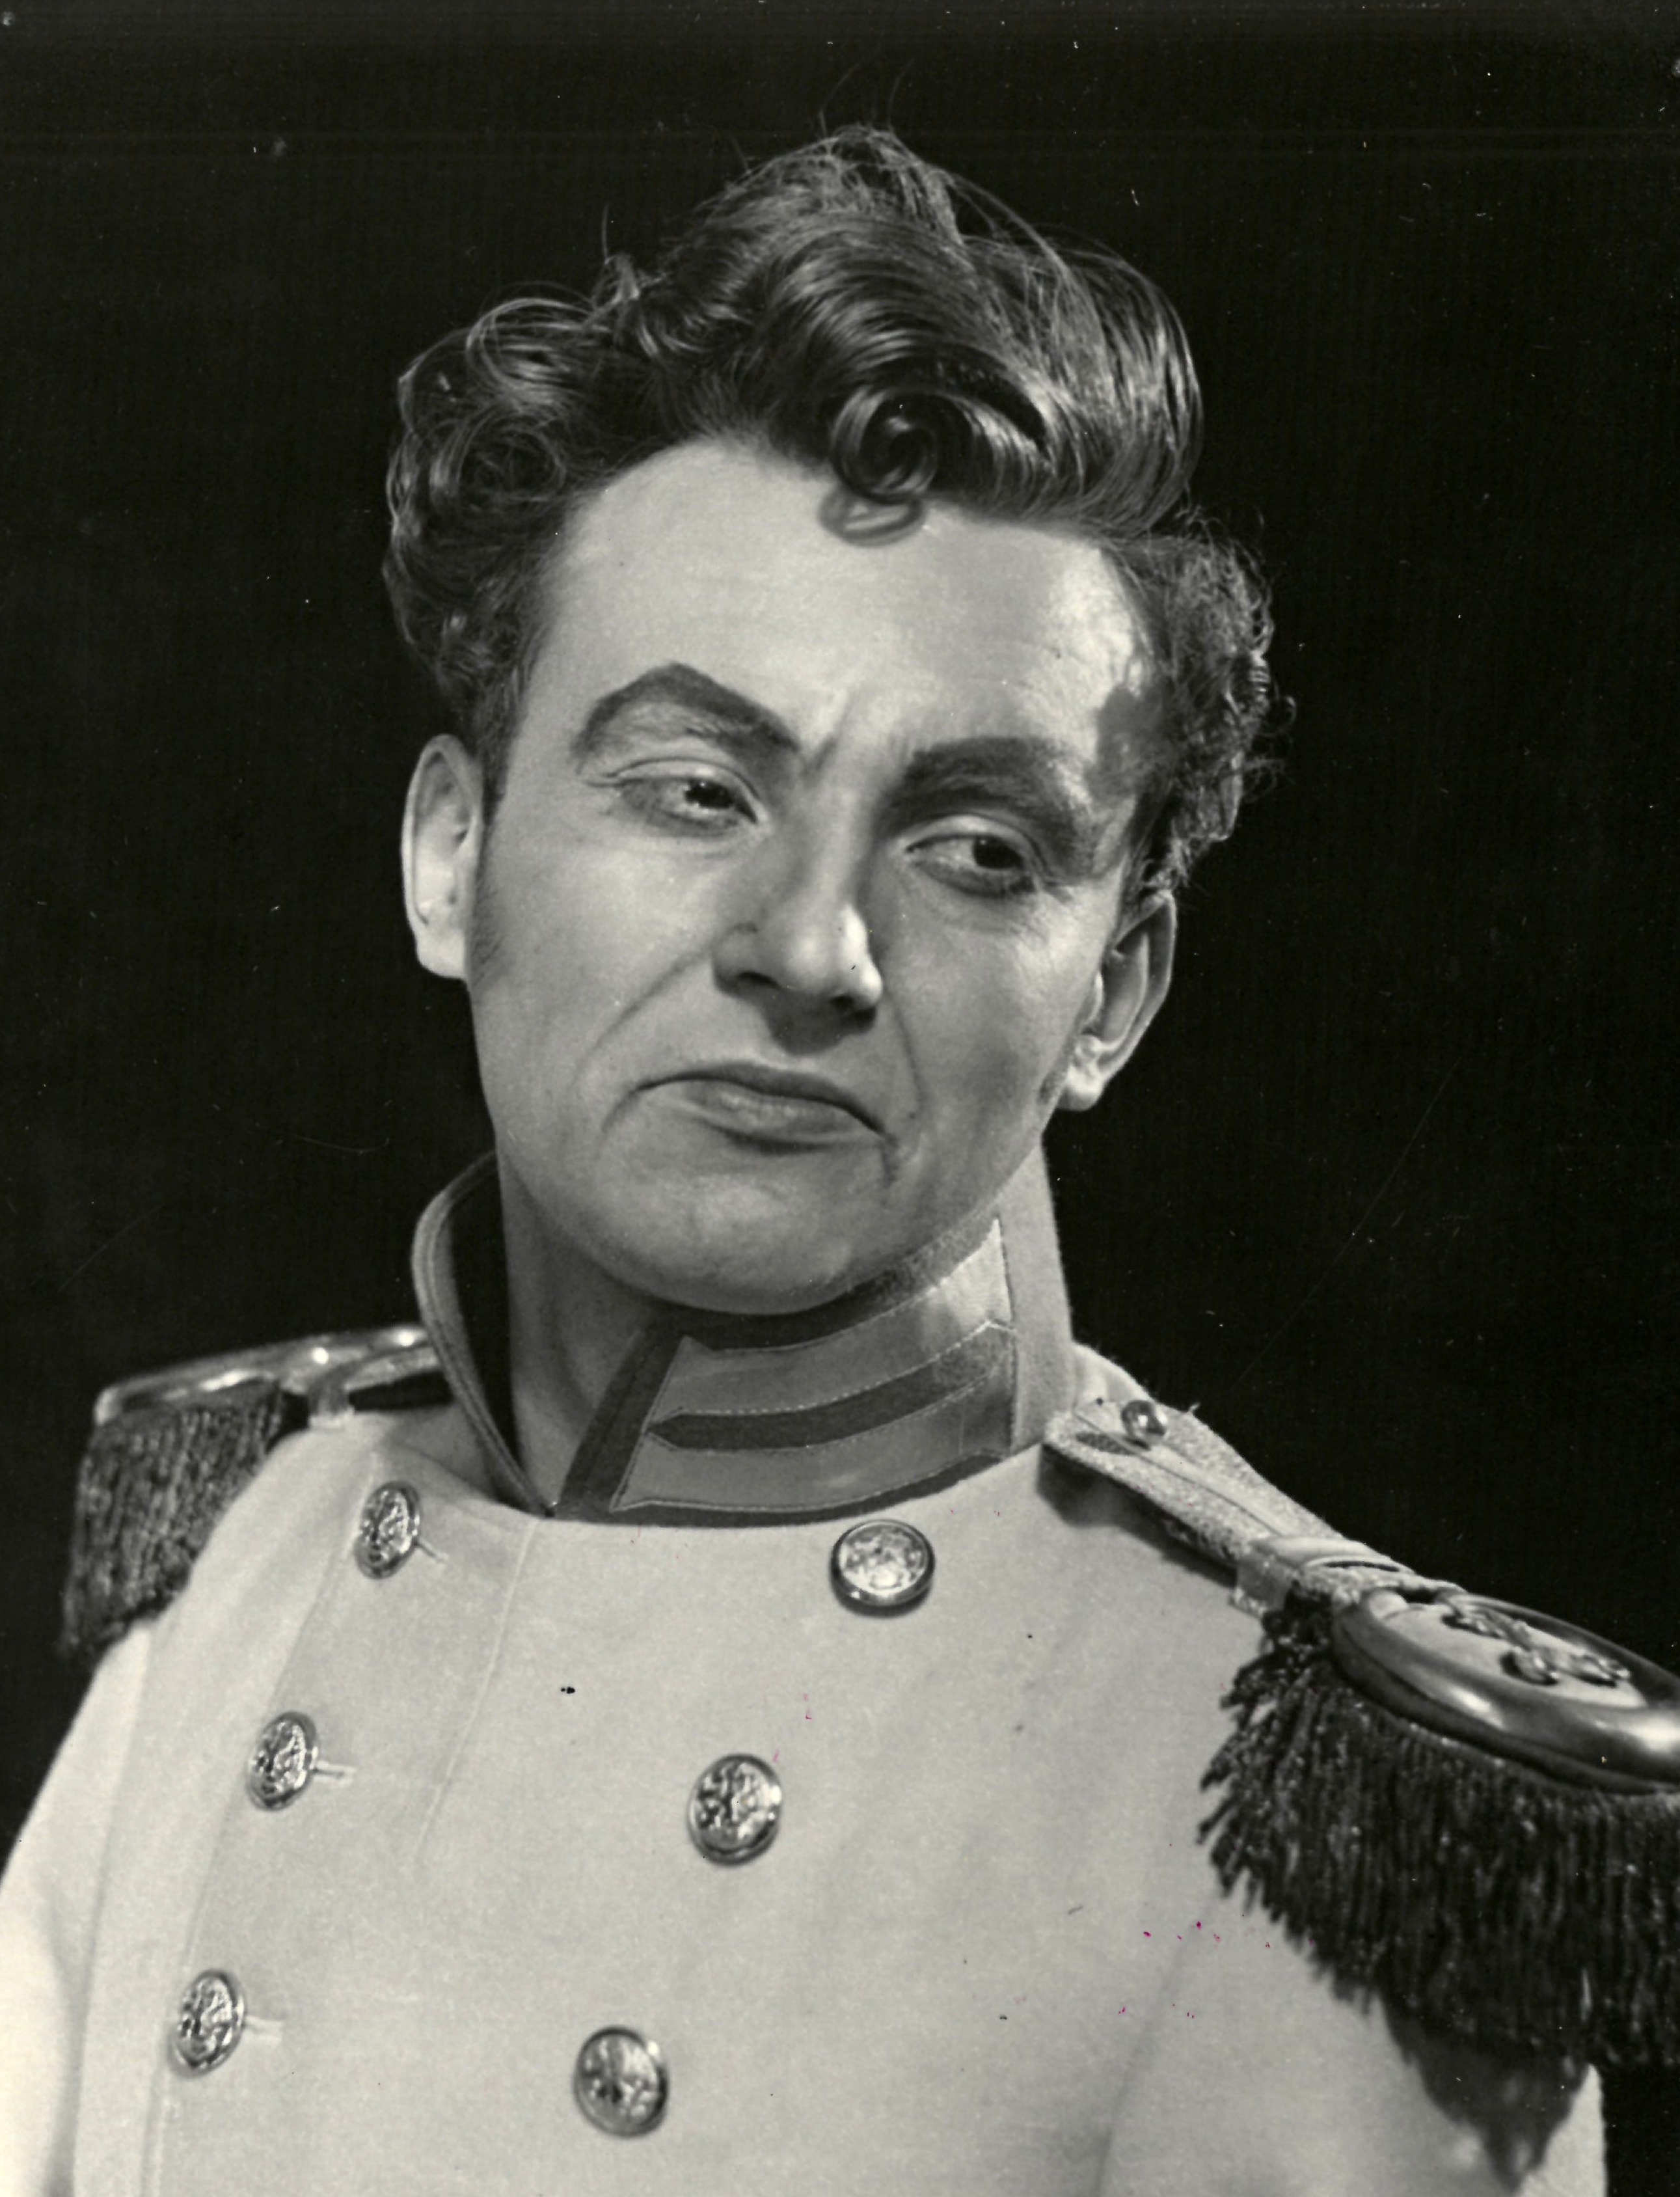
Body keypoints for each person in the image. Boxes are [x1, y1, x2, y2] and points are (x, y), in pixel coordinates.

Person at [0, 128, 1671, 2195]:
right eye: (696, 788)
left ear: (1113, 994)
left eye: (974, 847)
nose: (813, 948)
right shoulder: (243, 1561)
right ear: (451, 857)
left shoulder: (1296, 1808)